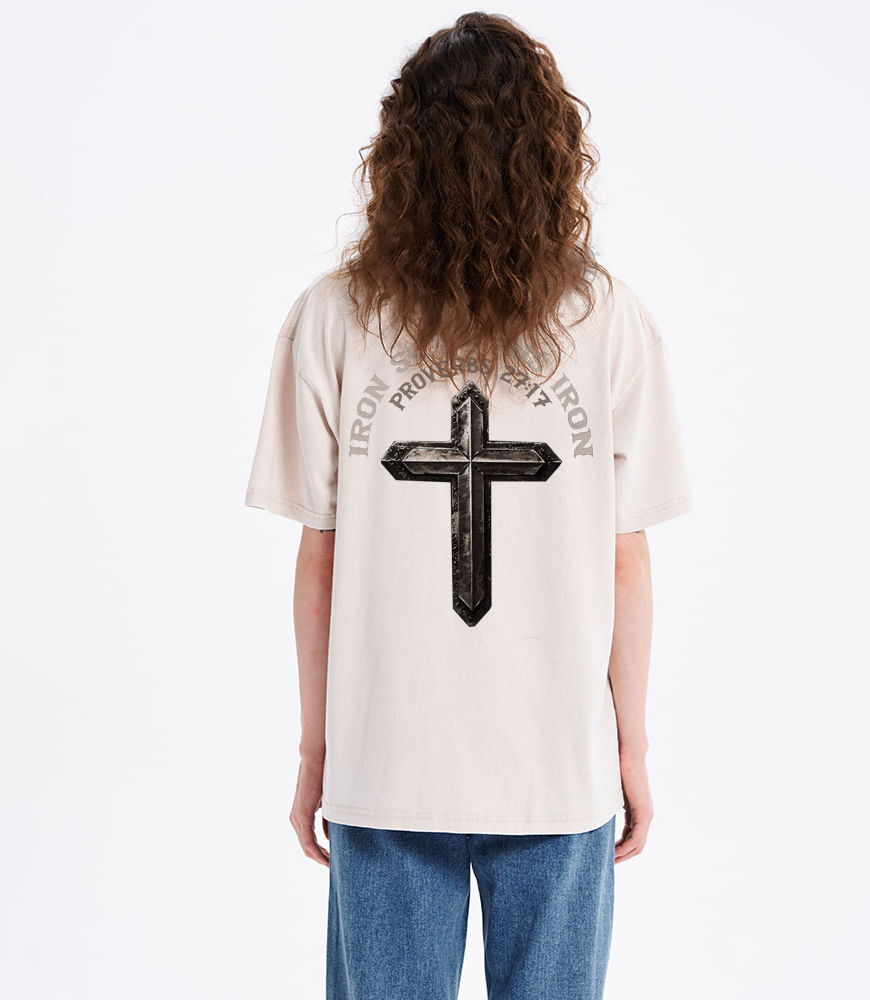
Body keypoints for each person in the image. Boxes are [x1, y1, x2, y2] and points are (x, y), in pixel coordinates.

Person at [244, 12, 692, 999]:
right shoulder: (607, 321)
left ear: (400, 153)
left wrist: (319, 749)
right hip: (556, 762)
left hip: (386, 757)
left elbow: (322, 558)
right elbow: (625, 557)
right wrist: (628, 745)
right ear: (551, 154)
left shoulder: (335, 319)